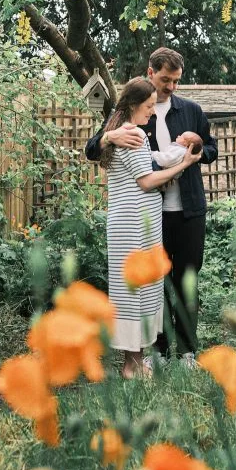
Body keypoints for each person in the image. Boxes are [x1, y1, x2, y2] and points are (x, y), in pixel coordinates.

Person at [86, 48, 217, 367]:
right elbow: (92, 150)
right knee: (153, 283)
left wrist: (197, 148)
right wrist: (109, 136)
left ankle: (186, 352)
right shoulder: (130, 113)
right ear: (150, 73)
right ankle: (156, 351)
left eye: (176, 81)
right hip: (150, 215)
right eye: (165, 79)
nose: (171, 86)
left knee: (186, 281)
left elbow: (212, 148)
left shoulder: (191, 110)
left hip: (188, 212)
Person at [98, 77, 202, 378]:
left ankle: (134, 362)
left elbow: (146, 166)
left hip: (127, 221)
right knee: (136, 290)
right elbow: (147, 180)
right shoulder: (133, 135)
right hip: (134, 224)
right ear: (133, 105)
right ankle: (132, 366)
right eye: (147, 107)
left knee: (133, 290)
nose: (152, 112)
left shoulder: (119, 132)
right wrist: (184, 164)